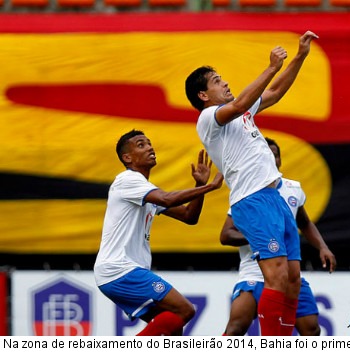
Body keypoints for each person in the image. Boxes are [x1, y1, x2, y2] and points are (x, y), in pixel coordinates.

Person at [184, 30, 318, 336]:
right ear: (204, 95)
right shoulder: (208, 118)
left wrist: (299, 57)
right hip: (252, 200)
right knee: (276, 277)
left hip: (275, 198)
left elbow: (274, 93)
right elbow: (245, 101)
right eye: (217, 81)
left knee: (294, 277)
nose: (225, 82)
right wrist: (271, 67)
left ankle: (282, 338)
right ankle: (273, 342)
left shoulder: (241, 113)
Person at [94, 129, 224, 336]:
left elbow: (189, 216)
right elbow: (167, 199)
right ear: (127, 157)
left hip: (119, 271)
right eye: (141, 144)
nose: (150, 147)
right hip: (119, 269)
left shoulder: (145, 189)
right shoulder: (127, 180)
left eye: (149, 143)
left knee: (172, 325)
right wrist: (209, 187)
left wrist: (199, 184)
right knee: (184, 310)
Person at [220, 137, 337, 336]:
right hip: (254, 273)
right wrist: (262, 238)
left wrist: (323, 247)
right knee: (236, 329)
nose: (271, 159)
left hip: (289, 274)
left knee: (311, 329)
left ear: (280, 161)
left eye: (275, 155)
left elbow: (305, 222)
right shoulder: (247, 193)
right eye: (266, 154)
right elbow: (226, 235)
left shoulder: (293, 189)